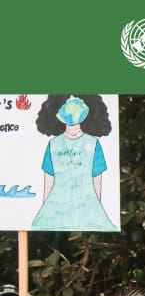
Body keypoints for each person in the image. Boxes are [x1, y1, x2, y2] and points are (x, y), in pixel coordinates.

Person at [32, 94, 116, 231]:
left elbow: (48, 182)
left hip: (68, 207)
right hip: (68, 206)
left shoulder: (57, 144)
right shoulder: (57, 144)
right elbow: (97, 181)